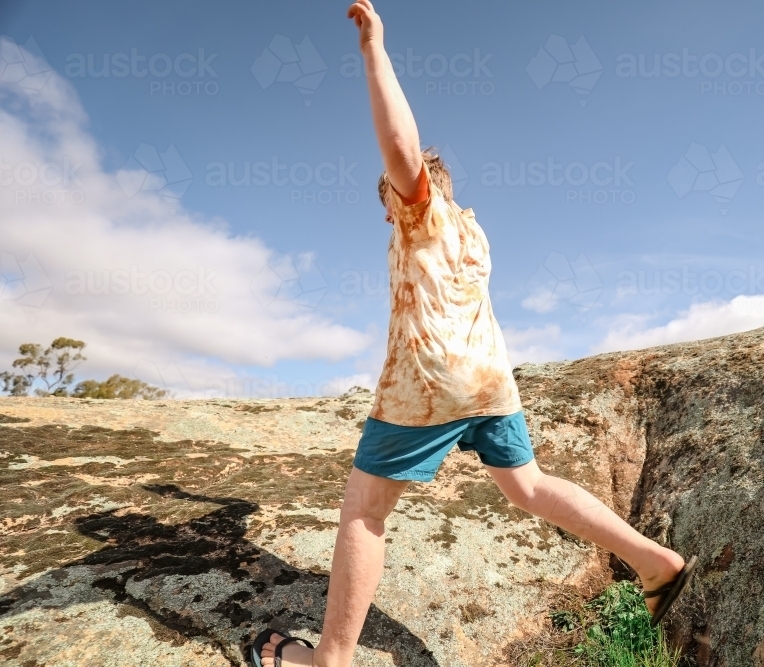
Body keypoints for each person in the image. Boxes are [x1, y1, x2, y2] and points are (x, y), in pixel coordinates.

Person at [251, 2, 696, 665]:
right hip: (491, 379)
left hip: (430, 384)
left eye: (390, 204)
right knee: (528, 485)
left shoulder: (420, 212)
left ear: (413, 193)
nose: (389, 215)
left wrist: (373, 48)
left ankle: (328, 659)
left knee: (365, 509)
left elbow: (401, 148)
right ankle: (653, 561)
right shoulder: (473, 230)